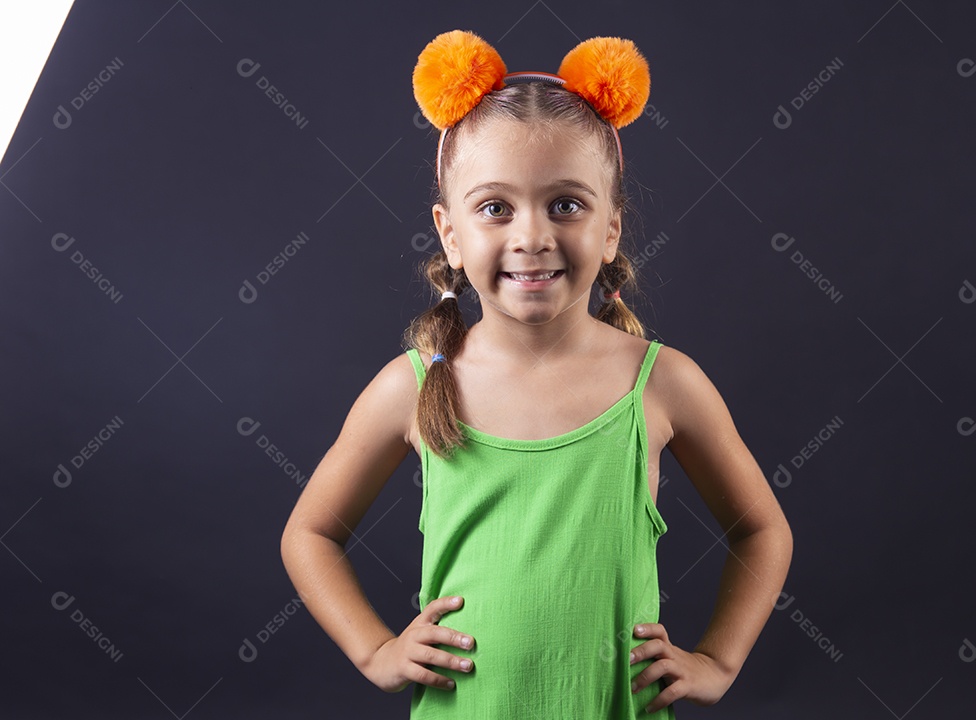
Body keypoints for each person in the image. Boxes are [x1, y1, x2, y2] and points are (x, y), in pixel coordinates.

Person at [280, 29, 793, 718]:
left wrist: (719, 661)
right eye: (495, 207)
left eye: (566, 205)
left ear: (610, 228)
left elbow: (763, 530)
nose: (532, 236)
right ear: (451, 234)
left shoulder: (664, 383)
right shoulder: (416, 385)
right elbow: (308, 535)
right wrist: (377, 652)